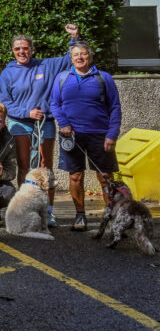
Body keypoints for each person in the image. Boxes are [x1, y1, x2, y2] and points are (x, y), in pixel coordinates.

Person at [0, 23, 80, 227]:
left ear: (32, 49)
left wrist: (74, 38)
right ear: (13, 51)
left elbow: (72, 59)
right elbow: (6, 103)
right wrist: (26, 112)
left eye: (25, 48)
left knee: (45, 167)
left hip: (45, 123)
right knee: (25, 167)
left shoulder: (46, 66)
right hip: (20, 124)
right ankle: (25, 208)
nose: (22, 51)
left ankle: (48, 211)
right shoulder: (8, 73)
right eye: (17, 49)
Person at [50, 41, 122, 232]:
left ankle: (112, 217)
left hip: (100, 134)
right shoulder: (62, 78)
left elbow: (115, 107)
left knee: (106, 177)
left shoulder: (104, 78)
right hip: (71, 135)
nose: (80, 58)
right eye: (76, 55)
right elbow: (54, 104)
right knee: (75, 175)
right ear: (71, 58)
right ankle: (80, 215)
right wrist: (63, 123)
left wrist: (112, 134)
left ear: (90, 56)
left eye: (83, 54)